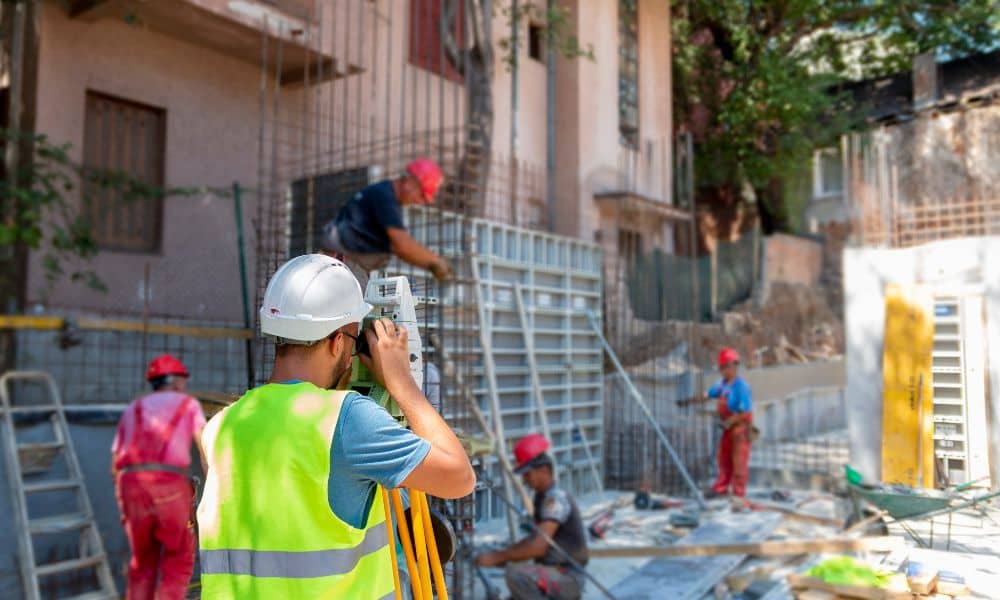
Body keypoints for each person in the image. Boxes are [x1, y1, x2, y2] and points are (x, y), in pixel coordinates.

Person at [196, 254, 475, 599]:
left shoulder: (219, 428)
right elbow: (460, 478)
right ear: (337, 342)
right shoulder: (346, 420)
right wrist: (402, 381)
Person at [112, 354, 207, 600]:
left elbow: (116, 461)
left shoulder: (135, 408)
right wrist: (213, 486)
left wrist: (126, 506)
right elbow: (205, 448)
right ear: (175, 382)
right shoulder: (188, 405)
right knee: (178, 560)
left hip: (131, 486)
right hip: (168, 486)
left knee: (142, 563)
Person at [476, 434, 588, 600]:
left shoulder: (555, 500)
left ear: (543, 470)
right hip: (555, 571)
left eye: (527, 474)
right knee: (516, 571)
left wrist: (497, 557)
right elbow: (533, 539)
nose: (525, 479)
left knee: (516, 574)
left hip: (568, 577)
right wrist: (505, 554)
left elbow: (537, 546)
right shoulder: (542, 497)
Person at [321, 157, 453, 287]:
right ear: (410, 182)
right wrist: (435, 262)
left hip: (346, 263)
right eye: (421, 195)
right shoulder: (385, 198)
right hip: (345, 263)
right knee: (352, 306)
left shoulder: (385, 195)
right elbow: (402, 246)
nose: (420, 202)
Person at [707, 348, 754, 499]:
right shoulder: (722, 384)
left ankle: (739, 494)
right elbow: (711, 393)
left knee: (739, 461)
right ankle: (721, 488)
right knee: (724, 459)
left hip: (741, 429)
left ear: (734, 366)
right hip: (728, 429)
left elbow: (746, 412)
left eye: (728, 366)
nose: (725, 370)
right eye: (722, 368)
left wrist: (730, 421)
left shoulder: (742, 386)